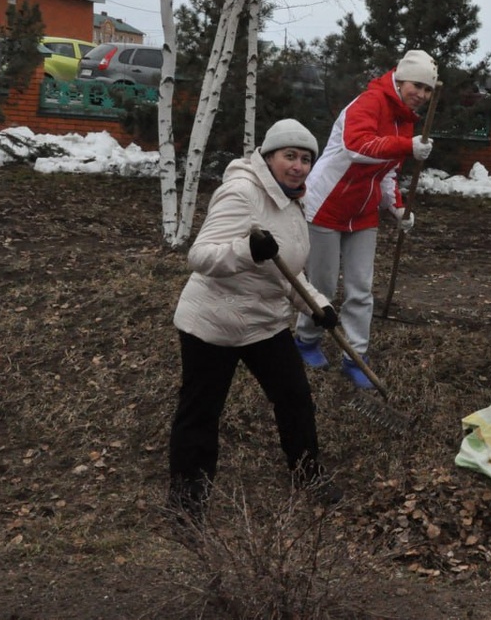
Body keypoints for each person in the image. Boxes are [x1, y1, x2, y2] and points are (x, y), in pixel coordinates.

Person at [167, 119, 342, 521]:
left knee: (294, 398)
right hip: (213, 322)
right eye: (289, 156)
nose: (298, 166)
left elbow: (286, 270)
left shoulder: (293, 200)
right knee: (201, 410)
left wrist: (316, 304)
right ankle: (187, 501)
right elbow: (200, 256)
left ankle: (308, 474)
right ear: (268, 156)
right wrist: (246, 251)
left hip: (264, 322)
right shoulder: (242, 192)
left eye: (305, 159)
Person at [293, 50, 436, 388]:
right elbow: (356, 146)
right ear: (400, 79)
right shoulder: (369, 102)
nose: (421, 94)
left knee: (360, 288)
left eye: (428, 89)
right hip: (325, 206)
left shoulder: (405, 120)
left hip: (363, 213)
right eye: (417, 85)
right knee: (323, 285)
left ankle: (356, 356)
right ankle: (306, 340)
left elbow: (387, 172)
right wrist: (405, 146)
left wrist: (396, 207)